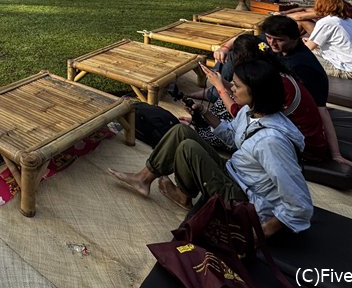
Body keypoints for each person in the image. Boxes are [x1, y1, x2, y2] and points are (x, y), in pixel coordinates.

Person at [108, 59, 312, 237]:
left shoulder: (272, 142)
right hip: (235, 173)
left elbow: (300, 203)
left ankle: (183, 195)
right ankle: (143, 179)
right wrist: (205, 113)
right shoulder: (251, 112)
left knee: (189, 147)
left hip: (246, 201)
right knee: (181, 131)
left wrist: (263, 231)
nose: (231, 88)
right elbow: (233, 137)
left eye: (237, 86)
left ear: (256, 92)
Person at [198, 35, 352, 177]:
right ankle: (203, 121)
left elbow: (240, 112)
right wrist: (222, 85)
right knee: (221, 106)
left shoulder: (267, 86)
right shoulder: (272, 72)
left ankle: (202, 126)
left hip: (301, 148)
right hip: (302, 134)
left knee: (205, 131)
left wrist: (220, 88)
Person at [303, 0, 352, 79]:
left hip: (347, 71)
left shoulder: (327, 22)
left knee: (299, 56)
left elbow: (307, 48)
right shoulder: (350, 21)